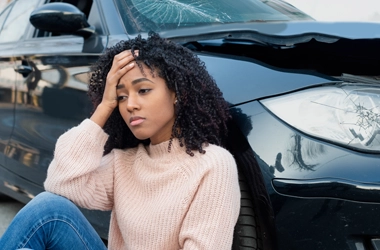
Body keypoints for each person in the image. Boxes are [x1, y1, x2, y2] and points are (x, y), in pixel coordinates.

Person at [0, 33, 240, 250]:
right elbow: (61, 183)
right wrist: (104, 106)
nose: (130, 105)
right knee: (48, 208)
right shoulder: (124, 163)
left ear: (178, 93)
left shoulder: (212, 165)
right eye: (121, 96)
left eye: (143, 90)